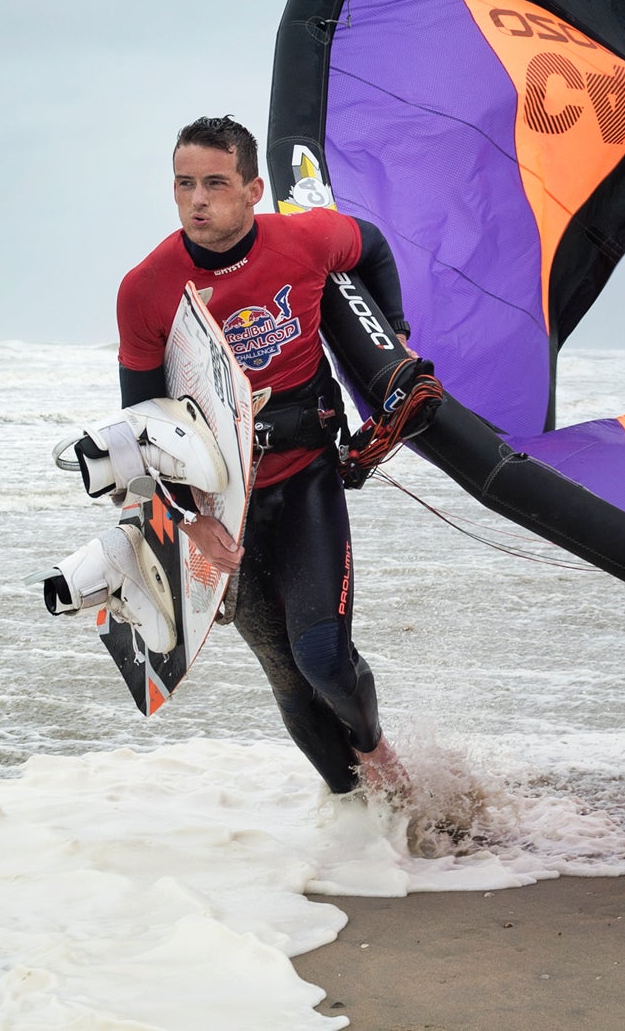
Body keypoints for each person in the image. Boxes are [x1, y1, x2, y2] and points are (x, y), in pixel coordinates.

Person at [116, 115, 411, 797]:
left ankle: (379, 758)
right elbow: (146, 423)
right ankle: (352, 812)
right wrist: (190, 522)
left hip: (306, 478)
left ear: (252, 189)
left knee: (323, 661)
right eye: (185, 184)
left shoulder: (303, 240)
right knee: (287, 678)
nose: (198, 200)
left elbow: (373, 247)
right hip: (226, 507)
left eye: (215, 184)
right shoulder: (148, 288)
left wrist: (392, 336)